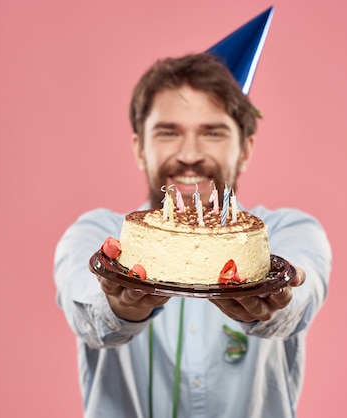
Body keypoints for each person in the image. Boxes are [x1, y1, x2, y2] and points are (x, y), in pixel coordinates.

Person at [54, 9, 332, 418]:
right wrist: (121, 305)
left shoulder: (288, 232)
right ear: (138, 146)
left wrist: (273, 302)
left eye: (213, 132)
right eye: (168, 132)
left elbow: (298, 300)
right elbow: (86, 305)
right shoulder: (96, 234)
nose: (189, 155)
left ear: (247, 148)